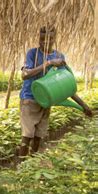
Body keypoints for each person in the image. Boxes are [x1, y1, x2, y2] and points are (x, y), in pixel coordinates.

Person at [18, 26, 92, 157]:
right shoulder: (32, 54)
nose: (45, 42)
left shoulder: (59, 56)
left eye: (49, 39)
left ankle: (32, 164)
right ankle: (21, 167)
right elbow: (25, 75)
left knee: (38, 136)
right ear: (38, 38)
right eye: (42, 39)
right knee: (27, 135)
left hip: (46, 101)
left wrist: (83, 105)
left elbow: (63, 86)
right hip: (30, 99)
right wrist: (49, 63)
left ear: (54, 38)